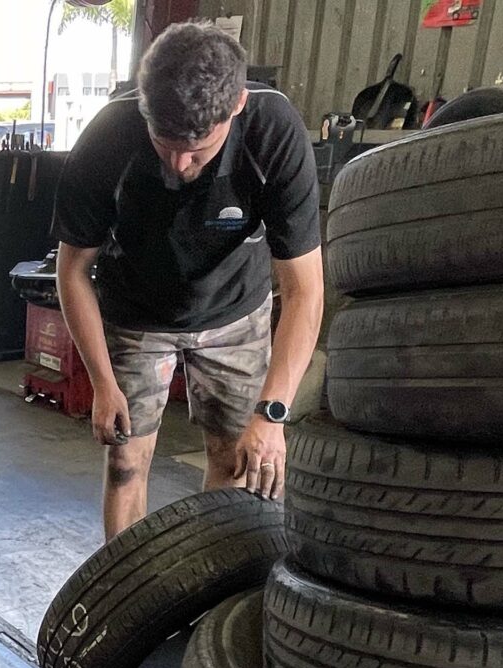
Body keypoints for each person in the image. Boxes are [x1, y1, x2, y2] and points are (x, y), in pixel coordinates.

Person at [53, 21, 324, 540]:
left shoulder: (273, 131)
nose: (179, 163)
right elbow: (72, 269)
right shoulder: (109, 137)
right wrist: (103, 383)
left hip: (235, 311)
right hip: (136, 312)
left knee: (236, 458)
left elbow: (305, 289)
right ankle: (128, 599)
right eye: (165, 142)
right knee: (125, 462)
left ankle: (206, 590)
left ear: (237, 104)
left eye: (197, 148)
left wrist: (273, 412)